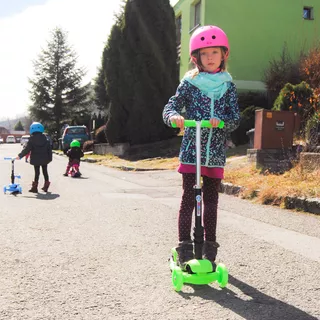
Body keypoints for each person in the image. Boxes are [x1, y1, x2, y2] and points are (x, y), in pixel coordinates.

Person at [162, 25, 241, 269]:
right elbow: (171, 106)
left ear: (223, 55)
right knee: (188, 198)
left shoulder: (228, 86)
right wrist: (174, 116)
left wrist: (223, 123)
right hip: (191, 152)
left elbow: (235, 118)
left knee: (211, 200)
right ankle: (185, 245)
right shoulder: (190, 82)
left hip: (215, 153)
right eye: (204, 53)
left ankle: (210, 247)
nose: (209, 58)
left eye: (214, 52)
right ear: (196, 57)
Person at [17, 122, 52, 193]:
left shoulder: (31, 140)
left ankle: (35, 187)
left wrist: (20, 156)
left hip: (36, 159)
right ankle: (46, 185)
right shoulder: (46, 139)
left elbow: (27, 149)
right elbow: (49, 150)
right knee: (45, 171)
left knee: (37, 173)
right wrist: (50, 159)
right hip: (45, 158)